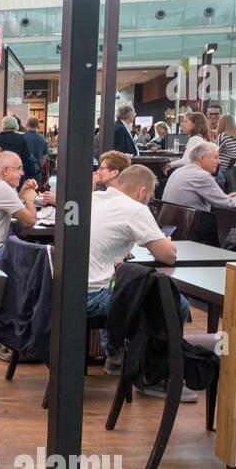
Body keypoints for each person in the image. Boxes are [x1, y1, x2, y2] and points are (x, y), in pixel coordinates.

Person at [85, 165, 188, 396]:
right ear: (142, 192)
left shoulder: (95, 198)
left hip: (72, 289)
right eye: (149, 197)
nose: (147, 201)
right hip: (93, 296)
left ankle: (114, 358)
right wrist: (162, 239)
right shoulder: (135, 209)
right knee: (174, 303)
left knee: (120, 286)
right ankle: (152, 376)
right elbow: (167, 255)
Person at [161, 142, 236, 245]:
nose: (219, 161)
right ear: (202, 158)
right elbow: (227, 203)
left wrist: (224, 198)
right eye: (215, 157)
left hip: (170, 225)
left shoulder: (179, 171)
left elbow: (206, 198)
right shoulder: (202, 175)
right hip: (193, 226)